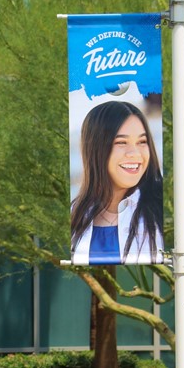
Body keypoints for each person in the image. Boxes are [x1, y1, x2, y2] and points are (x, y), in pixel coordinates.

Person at [69, 100, 165, 265]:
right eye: (121, 142)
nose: (134, 153)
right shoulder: (74, 213)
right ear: (95, 148)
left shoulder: (162, 207)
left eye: (142, 142)